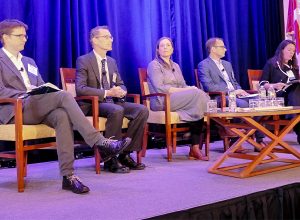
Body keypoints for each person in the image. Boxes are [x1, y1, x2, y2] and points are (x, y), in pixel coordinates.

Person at [0, 19, 131, 194]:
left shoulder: (29, 61)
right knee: (63, 96)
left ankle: (68, 176)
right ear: (5, 38)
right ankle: (100, 142)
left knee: (62, 115)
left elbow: (39, 83)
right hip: (15, 109)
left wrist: (41, 89)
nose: (25, 39)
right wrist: (25, 94)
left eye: (25, 35)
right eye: (20, 36)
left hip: (35, 105)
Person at [76, 26, 148, 173]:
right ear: (94, 40)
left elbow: (120, 83)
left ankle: (125, 153)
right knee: (117, 110)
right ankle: (110, 158)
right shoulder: (84, 60)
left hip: (113, 102)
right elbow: (80, 88)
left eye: (111, 37)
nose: (111, 40)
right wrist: (108, 92)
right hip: (93, 103)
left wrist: (122, 91)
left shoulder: (111, 62)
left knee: (141, 110)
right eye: (106, 37)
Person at [147, 37, 210, 160]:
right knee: (198, 96)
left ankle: (194, 147)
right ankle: (219, 128)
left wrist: (190, 88)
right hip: (162, 101)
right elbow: (161, 89)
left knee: (200, 96)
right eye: (162, 46)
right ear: (157, 50)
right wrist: (188, 91)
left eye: (168, 45)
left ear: (172, 49)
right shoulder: (154, 65)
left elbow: (183, 85)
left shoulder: (175, 65)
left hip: (178, 99)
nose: (165, 47)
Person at [198, 37, 265, 147]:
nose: (225, 49)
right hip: (220, 97)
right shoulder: (204, 65)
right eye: (222, 47)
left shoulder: (227, 64)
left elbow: (234, 82)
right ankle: (236, 141)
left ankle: (259, 139)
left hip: (235, 95)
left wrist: (240, 90)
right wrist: (232, 91)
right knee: (241, 104)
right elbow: (209, 87)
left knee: (259, 101)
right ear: (213, 49)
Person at [260, 39, 300, 144]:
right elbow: (262, 83)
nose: (291, 53)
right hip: (278, 95)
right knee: (295, 88)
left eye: (293, 51)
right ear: (281, 50)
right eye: (289, 50)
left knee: (296, 87)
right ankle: (294, 116)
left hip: (293, 97)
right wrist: (274, 85)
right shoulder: (272, 64)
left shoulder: (294, 68)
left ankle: (295, 115)